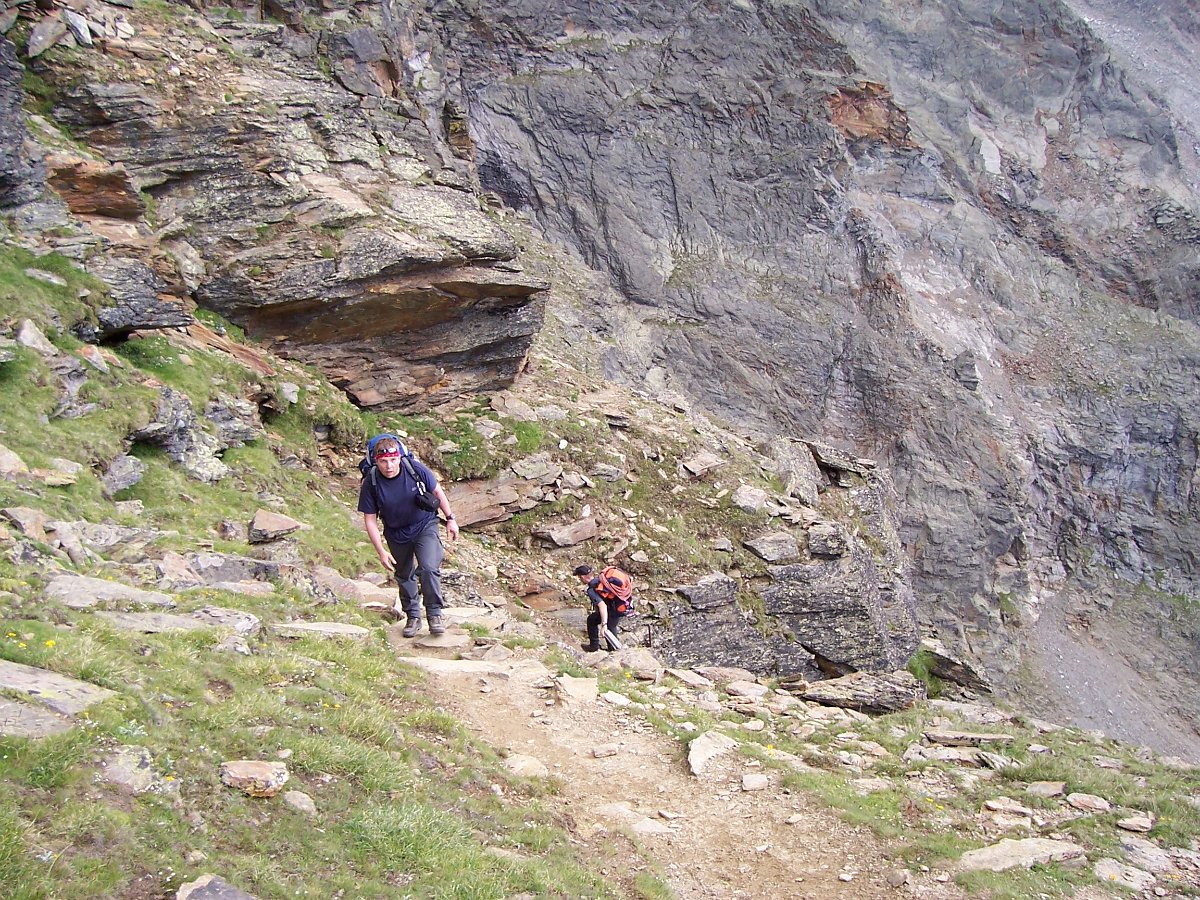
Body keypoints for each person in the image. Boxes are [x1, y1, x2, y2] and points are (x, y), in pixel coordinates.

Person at [359, 437, 459, 637]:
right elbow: (370, 519)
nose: (389, 466)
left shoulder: (414, 468)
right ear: (376, 461)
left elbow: (437, 491)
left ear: (399, 457)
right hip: (396, 532)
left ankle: (434, 614)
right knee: (404, 574)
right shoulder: (371, 481)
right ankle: (413, 616)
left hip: (424, 525)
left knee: (429, 568)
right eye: (383, 461)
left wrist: (450, 518)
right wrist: (381, 551)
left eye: (393, 460)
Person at [575, 564, 629, 652]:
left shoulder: (592, 589)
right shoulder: (601, 581)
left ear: (583, 577)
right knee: (592, 619)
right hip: (618, 607)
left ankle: (615, 653)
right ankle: (594, 646)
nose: (580, 579)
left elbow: (602, 606)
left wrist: (604, 624)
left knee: (609, 630)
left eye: (579, 577)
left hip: (612, 611)